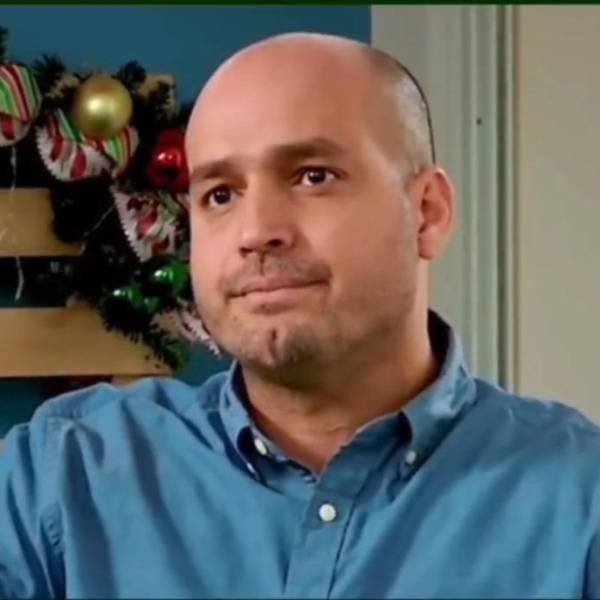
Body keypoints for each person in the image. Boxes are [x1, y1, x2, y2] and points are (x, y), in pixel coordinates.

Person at [1, 32, 599, 599]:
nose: (257, 232)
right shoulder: (57, 480)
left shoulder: (580, 500)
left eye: (314, 177)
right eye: (220, 194)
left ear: (428, 212)